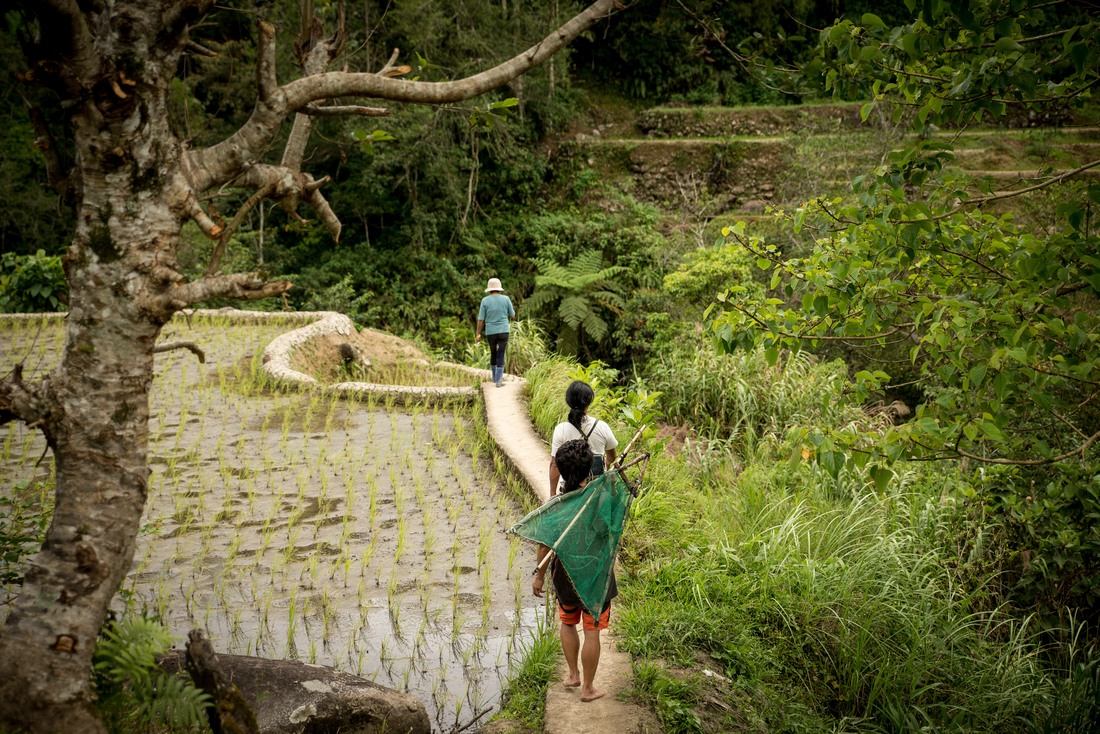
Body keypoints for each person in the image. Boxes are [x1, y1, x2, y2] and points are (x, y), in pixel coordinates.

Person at [532, 438, 616, 702]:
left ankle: (572, 674)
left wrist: (539, 575)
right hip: (594, 575)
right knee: (592, 629)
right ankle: (588, 688)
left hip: (565, 575)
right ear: (589, 469)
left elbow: (545, 544)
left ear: (562, 470)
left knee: (568, 622)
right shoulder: (600, 497)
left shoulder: (557, 505)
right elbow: (609, 532)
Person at [548, 380, 618, 497]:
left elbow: (554, 465)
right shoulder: (602, 427)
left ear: (568, 401)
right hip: (596, 491)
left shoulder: (561, 429)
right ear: (589, 401)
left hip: (568, 491)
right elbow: (612, 458)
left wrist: (552, 493)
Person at [475, 277, 515, 387]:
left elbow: (481, 319)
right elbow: (513, 315)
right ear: (499, 288)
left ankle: (494, 378)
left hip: (490, 332)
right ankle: (499, 381)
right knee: (501, 353)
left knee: (493, 352)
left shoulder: (485, 301)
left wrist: (478, 333)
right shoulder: (506, 299)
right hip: (503, 331)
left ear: (489, 289)